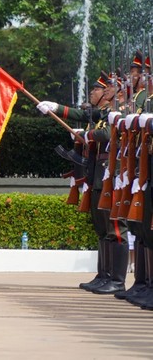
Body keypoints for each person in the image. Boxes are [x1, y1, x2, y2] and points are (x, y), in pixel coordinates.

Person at [37, 71, 129, 295]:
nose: (104, 90)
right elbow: (84, 114)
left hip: (113, 173)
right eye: (103, 87)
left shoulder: (123, 111)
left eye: (107, 87)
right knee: (101, 227)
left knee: (116, 228)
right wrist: (56, 108)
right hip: (99, 172)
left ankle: (117, 280)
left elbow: (107, 134)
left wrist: (88, 136)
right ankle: (104, 275)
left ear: (120, 89)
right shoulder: (104, 112)